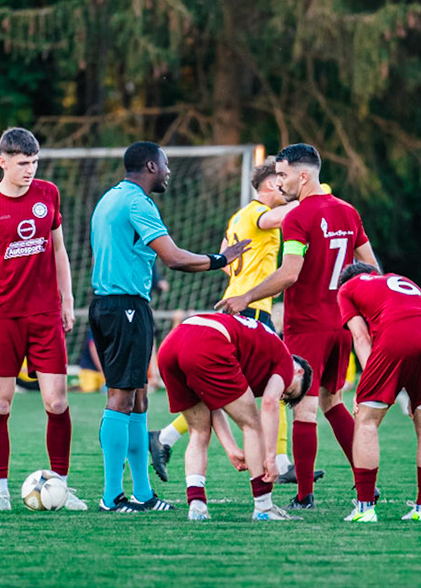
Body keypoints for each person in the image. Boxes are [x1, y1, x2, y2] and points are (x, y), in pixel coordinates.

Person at [87, 141, 250, 512]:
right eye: (165, 164)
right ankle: (112, 496)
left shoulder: (109, 198)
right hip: (123, 305)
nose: (168, 170)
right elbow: (174, 258)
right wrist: (218, 259)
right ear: (150, 165)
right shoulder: (137, 202)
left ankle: (143, 494)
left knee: (140, 397)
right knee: (122, 397)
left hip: (116, 304)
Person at [220, 143, 377, 511]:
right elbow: (370, 268)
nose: (280, 182)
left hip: (307, 325)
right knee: (334, 402)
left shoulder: (298, 217)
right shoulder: (348, 212)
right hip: (342, 323)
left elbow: (290, 274)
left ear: (303, 176)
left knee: (303, 411)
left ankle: (304, 495)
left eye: (284, 175)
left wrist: (247, 297)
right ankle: (365, 483)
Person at [150, 160, 313, 486]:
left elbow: (226, 256)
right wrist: (312, 197)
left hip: (237, 302)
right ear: (269, 186)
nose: (284, 187)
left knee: (225, 385)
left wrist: (246, 277)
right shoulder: (259, 213)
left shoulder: (238, 217)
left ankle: (165, 438)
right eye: (280, 181)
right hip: (251, 307)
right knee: (275, 382)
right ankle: (278, 461)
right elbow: (285, 216)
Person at [0, 128, 84, 511]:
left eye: (34, 162)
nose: (30, 170)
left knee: (57, 402)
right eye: (23, 163)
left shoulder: (48, 193)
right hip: (3, 315)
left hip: (46, 314)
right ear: (3, 162)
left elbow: (59, 250)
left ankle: (60, 487)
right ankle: (0, 493)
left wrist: (68, 299)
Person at [157, 311, 311, 521]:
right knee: (253, 425)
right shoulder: (286, 361)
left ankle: (197, 505)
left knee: (198, 432)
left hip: (172, 343)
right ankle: (264, 508)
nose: (283, 392)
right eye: (290, 392)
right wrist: (272, 457)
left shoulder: (253, 359)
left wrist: (231, 448)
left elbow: (213, 403)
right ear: (299, 372)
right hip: (207, 341)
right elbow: (269, 403)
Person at [335, 262, 421, 521]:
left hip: (399, 333)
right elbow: (417, 321)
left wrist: (367, 384)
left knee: (366, 421)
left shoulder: (346, 290)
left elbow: (361, 337)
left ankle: (365, 509)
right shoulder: (401, 279)